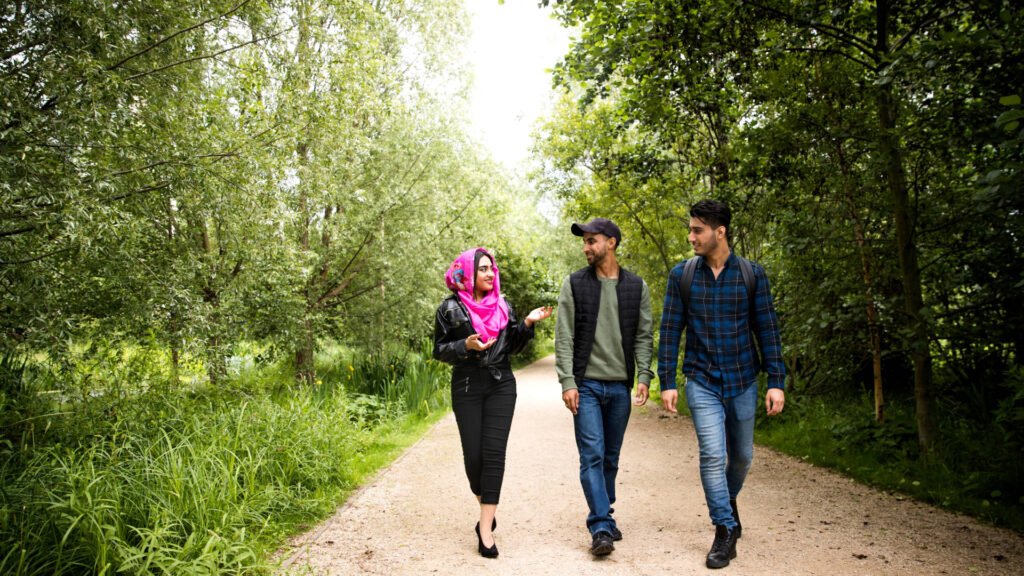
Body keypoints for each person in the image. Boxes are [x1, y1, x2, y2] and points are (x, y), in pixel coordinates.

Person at [657, 199, 786, 569]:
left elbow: (768, 330)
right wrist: (668, 380)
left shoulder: (751, 274)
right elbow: (670, 332)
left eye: (697, 229)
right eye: (691, 228)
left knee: (742, 457)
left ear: (720, 231)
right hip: (701, 379)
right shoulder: (682, 275)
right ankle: (724, 529)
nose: (691, 236)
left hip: (744, 378)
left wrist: (776, 380)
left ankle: (725, 503)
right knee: (713, 455)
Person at [433, 247, 552, 559]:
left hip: (501, 384)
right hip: (467, 385)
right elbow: (439, 349)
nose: (490, 273)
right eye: (483, 269)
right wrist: (464, 344)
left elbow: (511, 344)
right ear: (467, 273)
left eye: (491, 269)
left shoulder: (503, 305)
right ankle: (485, 503)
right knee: (474, 459)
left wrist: (526, 323)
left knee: (494, 454)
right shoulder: (449, 308)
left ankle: (485, 530)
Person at [554, 218, 654, 557]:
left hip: (619, 387)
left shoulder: (636, 287)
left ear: (610, 243)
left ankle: (605, 513)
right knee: (592, 455)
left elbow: (643, 335)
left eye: (591, 241)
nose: (585, 247)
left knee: (610, 457)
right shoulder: (574, 284)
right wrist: (568, 381)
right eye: (584, 242)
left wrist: (643, 376)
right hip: (588, 386)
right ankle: (600, 525)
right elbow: (564, 336)